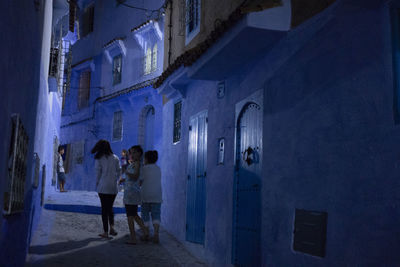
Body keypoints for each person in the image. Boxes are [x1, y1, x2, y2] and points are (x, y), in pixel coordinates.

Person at [91, 139, 121, 239]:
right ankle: (112, 227)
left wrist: (97, 183)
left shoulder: (99, 159)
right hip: (113, 187)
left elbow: (98, 173)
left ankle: (105, 232)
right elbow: (119, 171)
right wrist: (115, 180)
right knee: (110, 207)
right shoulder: (116, 157)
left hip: (103, 186)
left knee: (104, 209)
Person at [119, 145, 148, 244]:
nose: (132, 154)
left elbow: (135, 176)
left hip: (131, 193)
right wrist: (124, 179)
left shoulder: (137, 164)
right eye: (131, 153)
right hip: (132, 192)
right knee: (134, 214)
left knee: (130, 216)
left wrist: (127, 173)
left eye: (134, 152)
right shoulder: (134, 164)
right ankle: (145, 231)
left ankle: (133, 238)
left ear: (139, 153)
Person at [140, 150, 162, 243]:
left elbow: (140, 181)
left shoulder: (144, 169)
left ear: (147, 159)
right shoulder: (158, 168)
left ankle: (146, 234)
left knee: (145, 214)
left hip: (146, 195)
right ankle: (156, 234)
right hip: (157, 195)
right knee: (156, 214)